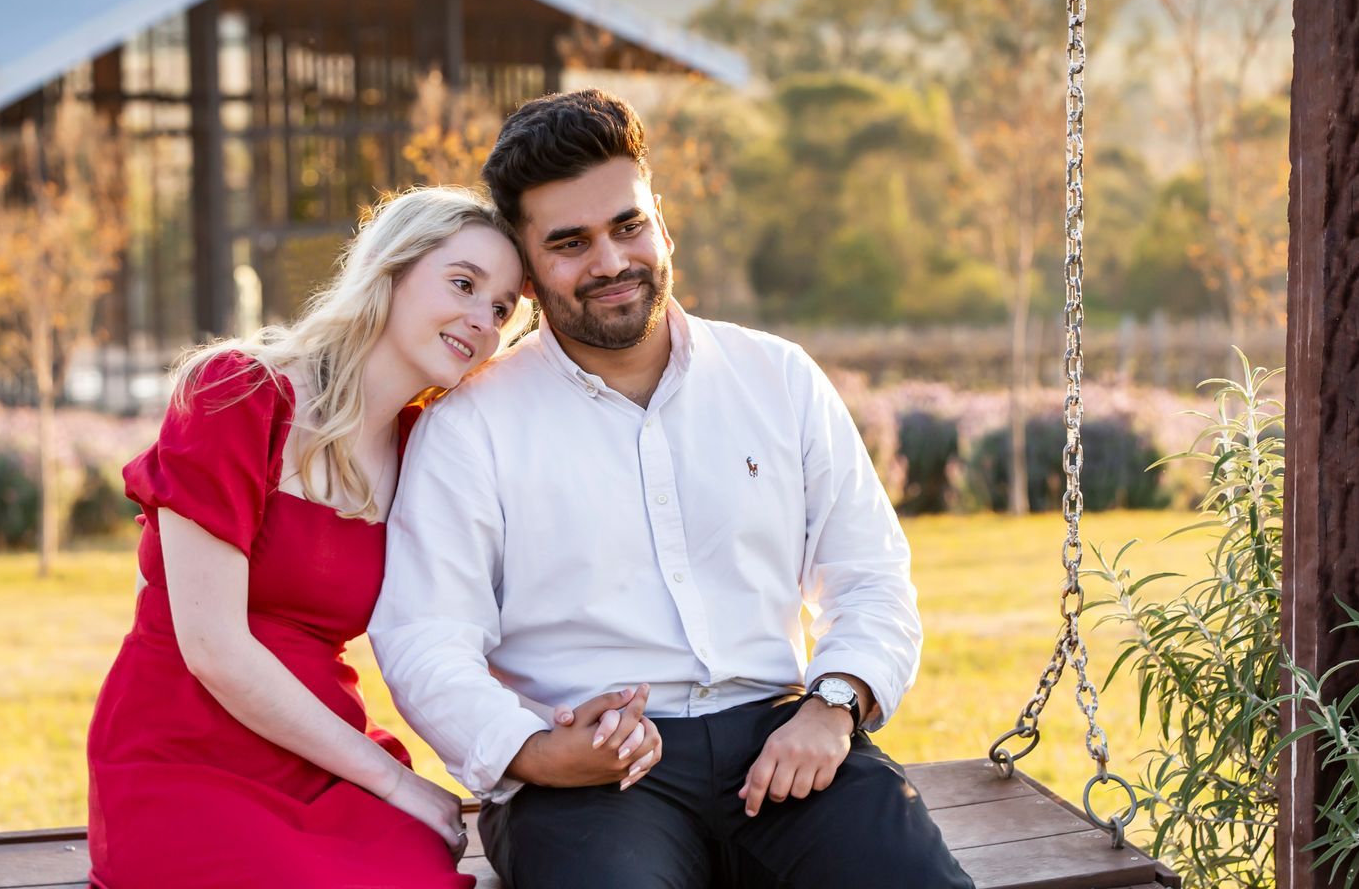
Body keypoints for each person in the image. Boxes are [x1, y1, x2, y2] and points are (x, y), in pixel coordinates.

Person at [370, 91, 976, 889]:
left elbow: (868, 576)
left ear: (662, 225)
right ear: (526, 271)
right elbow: (424, 637)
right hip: (589, 777)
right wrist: (535, 754)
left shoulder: (778, 378)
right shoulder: (470, 426)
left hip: (786, 742)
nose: (611, 262)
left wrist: (833, 707)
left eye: (628, 226)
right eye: (569, 243)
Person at [87, 187, 658, 887]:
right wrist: (392, 781)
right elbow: (214, 649)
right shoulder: (237, 394)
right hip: (181, 751)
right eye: (463, 284)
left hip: (321, 753)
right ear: (389, 270)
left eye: (503, 308)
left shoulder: (426, 447)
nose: (482, 319)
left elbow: (469, 618)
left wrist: (559, 725)